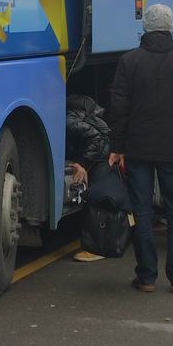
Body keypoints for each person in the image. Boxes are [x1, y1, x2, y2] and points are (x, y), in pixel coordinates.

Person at [107, 4, 173, 294]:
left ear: (145, 27)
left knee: (141, 211)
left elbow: (119, 109)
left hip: (138, 148)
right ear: (170, 27)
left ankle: (146, 276)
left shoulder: (129, 61)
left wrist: (117, 146)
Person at [65, 93, 110, 262]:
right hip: (100, 153)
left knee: (95, 200)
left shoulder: (68, 122)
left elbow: (96, 138)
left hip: (101, 156)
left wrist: (83, 163)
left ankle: (95, 248)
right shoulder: (70, 117)